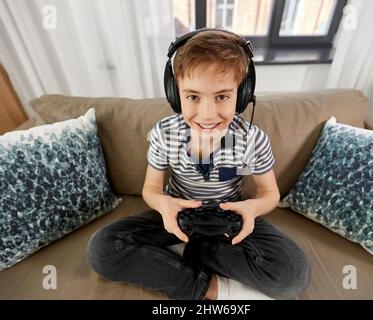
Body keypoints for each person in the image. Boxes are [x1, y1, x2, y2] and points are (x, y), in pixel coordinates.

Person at [86, 28, 311, 300]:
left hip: (228, 219)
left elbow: (270, 193)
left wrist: (253, 207)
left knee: (293, 275)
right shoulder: (164, 133)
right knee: (102, 248)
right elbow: (151, 188)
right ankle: (210, 287)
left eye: (222, 97)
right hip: (176, 215)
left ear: (242, 94)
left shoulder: (252, 139)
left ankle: (191, 252)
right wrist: (162, 205)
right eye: (193, 97)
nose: (207, 114)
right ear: (174, 93)